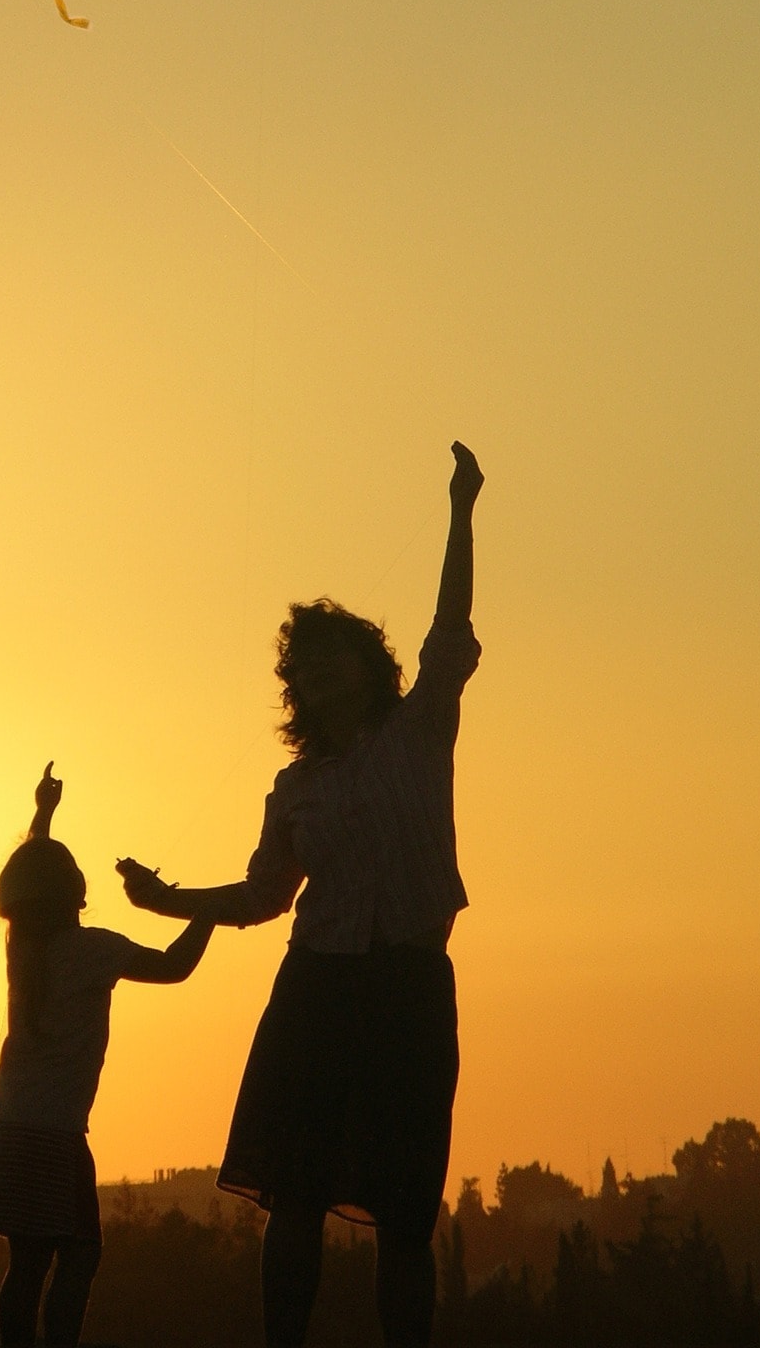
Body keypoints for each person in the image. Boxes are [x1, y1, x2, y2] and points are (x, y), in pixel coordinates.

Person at [118, 440, 484, 1348]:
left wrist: (460, 510)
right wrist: (169, 904)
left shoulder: (419, 729)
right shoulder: (294, 788)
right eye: (302, 663)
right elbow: (261, 896)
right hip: (313, 994)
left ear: (367, 664)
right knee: (294, 1198)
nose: (314, 669)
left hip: (405, 989)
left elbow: (449, 625)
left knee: (404, 1209)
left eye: (330, 654)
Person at [0, 763, 216, 1348]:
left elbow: (34, 876)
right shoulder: (94, 950)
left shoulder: (22, 951)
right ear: (77, 894)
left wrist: (44, 814)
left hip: (7, 1133)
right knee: (80, 1255)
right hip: (55, 1138)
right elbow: (175, 967)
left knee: (26, 1266)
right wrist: (212, 908)